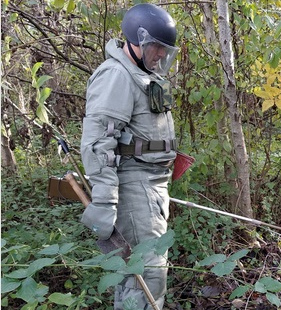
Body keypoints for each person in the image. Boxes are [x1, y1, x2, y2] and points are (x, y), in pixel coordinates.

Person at [79, 3, 179, 309]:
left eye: (164, 50)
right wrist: (106, 201)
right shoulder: (117, 75)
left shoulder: (139, 73)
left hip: (152, 185)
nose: (160, 55)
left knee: (141, 273)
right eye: (155, 48)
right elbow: (98, 143)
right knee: (147, 274)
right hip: (135, 187)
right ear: (137, 40)